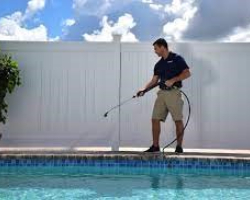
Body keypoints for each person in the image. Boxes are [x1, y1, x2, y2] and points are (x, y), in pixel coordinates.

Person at [137, 38, 191, 153]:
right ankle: (155, 146)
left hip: (174, 93)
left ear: (163, 47)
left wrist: (173, 79)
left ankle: (179, 147)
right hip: (161, 94)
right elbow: (154, 80)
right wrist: (144, 90)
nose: (155, 51)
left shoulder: (177, 59)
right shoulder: (158, 64)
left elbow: (187, 73)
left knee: (177, 120)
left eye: (156, 48)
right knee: (154, 119)